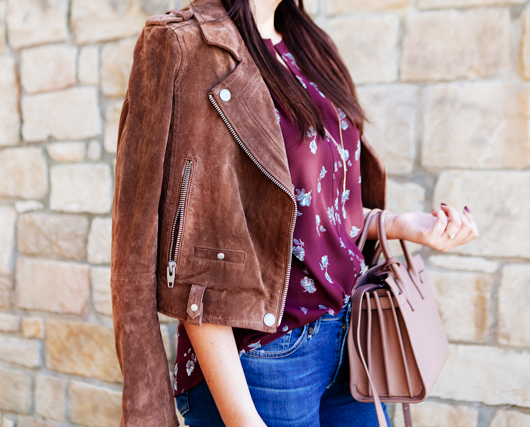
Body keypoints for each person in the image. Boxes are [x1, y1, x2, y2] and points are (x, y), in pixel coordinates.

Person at [110, 0, 479, 425]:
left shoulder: (310, 46)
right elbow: (149, 250)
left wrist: (397, 223)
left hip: (349, 338)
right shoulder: (183, 44)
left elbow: (318, 207)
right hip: (262, 357)